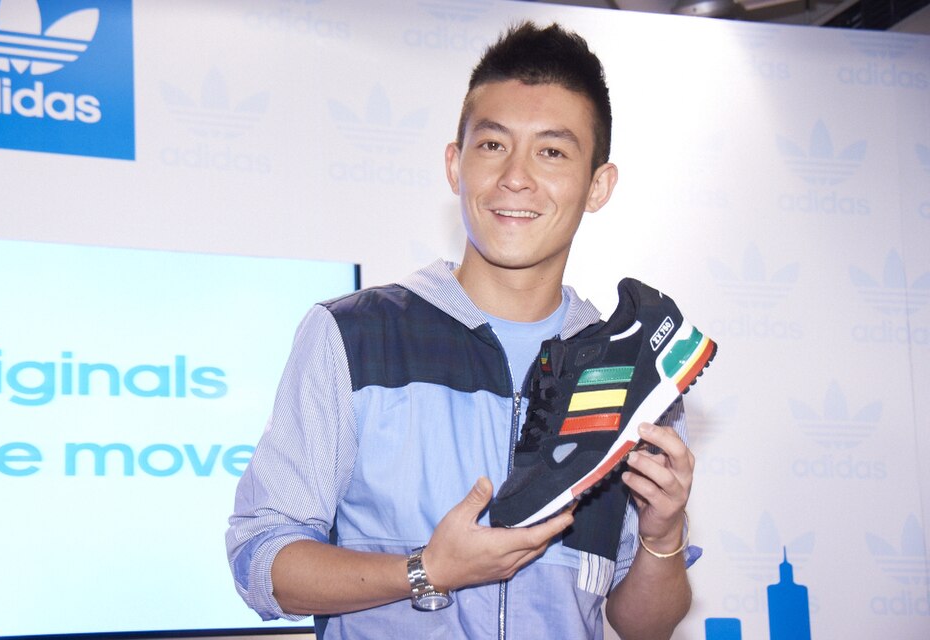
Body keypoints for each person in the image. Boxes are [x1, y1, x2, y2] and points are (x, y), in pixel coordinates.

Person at [227, 22, 697, 640]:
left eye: (552, 152)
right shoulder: (352, 336)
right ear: (456, 165)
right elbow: (262, 560)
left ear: (598, 185)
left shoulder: (631, 370)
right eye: (493, 145)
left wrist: (664, 534)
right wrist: (427, 570)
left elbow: (644, 627)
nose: (515, 177)